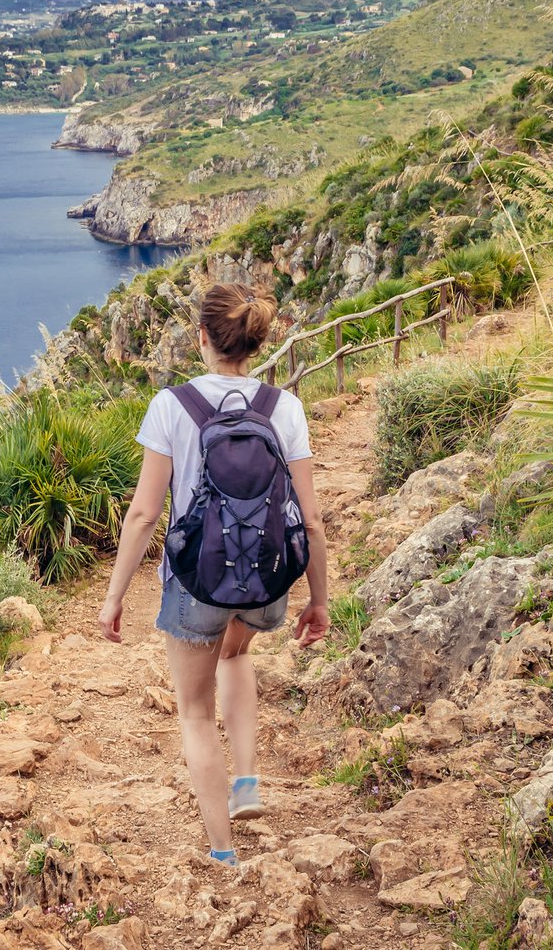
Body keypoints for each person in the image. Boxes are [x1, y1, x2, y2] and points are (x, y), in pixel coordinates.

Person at [97, 281, 330, 866]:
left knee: (195, 713)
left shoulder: (172, 406)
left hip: (197, 583)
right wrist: (318, 598)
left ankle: (223, 852)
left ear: (201, 337)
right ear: (254, 342)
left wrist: (114, 595)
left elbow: (145, 513)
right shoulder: (286, 408)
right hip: (269, 582)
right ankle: (246, 781)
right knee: (237, 654)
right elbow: (312, 516)